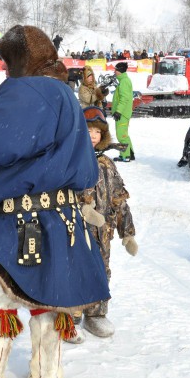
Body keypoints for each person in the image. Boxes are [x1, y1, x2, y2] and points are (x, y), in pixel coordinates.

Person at [0, 24, 109, 378]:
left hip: (21, 216)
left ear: (19, 58)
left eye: (6, 59)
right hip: (62, 217)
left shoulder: (28, 89)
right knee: (49, 296)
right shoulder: (63, 93)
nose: (3, 68)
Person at [66, 106, 137, 343]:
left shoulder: (107, 163)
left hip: (103, 231)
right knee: (75, 270)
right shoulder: (70, 160)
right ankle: (70, 317)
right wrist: (83, 210)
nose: (93, 135)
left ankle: (96, 313)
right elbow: (61, 195)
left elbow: (119, 198)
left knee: (101, 271)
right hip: (75, 231)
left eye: (97, 131)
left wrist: (127, 233)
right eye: (88, 130)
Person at [111, 61, 134, 162]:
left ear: (119, 71)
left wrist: (118, 111)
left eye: (115, 69)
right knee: (124, 134)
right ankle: (130, 153)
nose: (114, 71)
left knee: (121, 135)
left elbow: (124, 98)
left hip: (123, 114)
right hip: (124, 113)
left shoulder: (124, 81)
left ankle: (125, 156)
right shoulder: (124, 80)